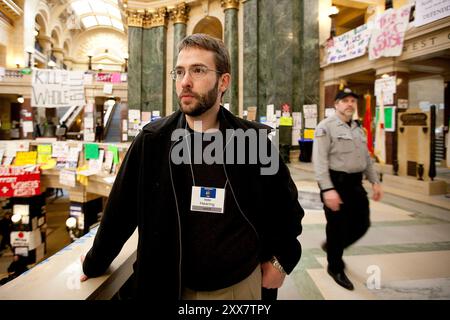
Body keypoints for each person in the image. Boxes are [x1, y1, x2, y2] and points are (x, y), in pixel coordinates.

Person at [81, 33, 304, 300]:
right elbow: (119, 213)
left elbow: (287, 210)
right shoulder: (152, 142)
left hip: (238, 288)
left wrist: (282, 261)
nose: (185, 81)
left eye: (198, 70)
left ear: (224, 81)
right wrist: (94, 262)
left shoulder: (255, 142)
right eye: (179, 71)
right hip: (168, 287)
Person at [312, 87, 383, 290]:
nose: (350, 104)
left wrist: (375, 181)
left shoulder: (358, 129)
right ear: (336, 105)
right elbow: (320, 161)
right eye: (345, 100)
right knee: (337, 227)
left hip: (355, 184)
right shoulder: (326, 127)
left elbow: (366, 159)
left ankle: (333, 246)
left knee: (362, 223)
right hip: (336, 183)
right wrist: (327, 189)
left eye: (353, 101)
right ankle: (335, 267)